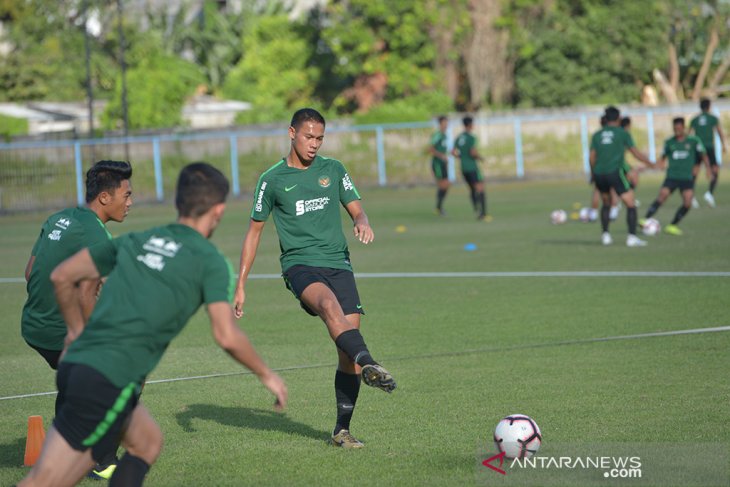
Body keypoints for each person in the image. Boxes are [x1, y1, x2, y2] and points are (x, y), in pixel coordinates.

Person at [18, 162, 287, 487]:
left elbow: (62, 276)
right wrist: (267, 374)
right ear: (218, 210)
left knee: (146, 442)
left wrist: (75, 331)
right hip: (108, 375)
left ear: (178, 203)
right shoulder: (210, 260)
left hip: (79, 364)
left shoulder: (138, 238)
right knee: (46, 479)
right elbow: (226, 335)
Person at [233, 108, 395, 449]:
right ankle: (371, 364)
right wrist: (241, 284)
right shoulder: (272, 179)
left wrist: (361, 221)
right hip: (300, 266)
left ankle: (341, 430)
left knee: (346, 350)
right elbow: (253, 233)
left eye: (320, 138)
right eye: (309, 136)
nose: (314, 144)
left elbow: (356, 207)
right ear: (292, 133)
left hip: (339, 263)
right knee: (327, 305)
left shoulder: (333, 169)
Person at [20, 159, 133, 480]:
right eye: (126, 195)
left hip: (33, 325)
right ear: (104, 198)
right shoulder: (97, 236)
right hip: (57, 330)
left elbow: (29, 273)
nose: (131, 203)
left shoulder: (58, 218)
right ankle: (101, 461)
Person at [589, 106, 654, 247]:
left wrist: (593, 173)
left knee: (605, 204)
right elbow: (635, 152)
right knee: (630, 204)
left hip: (600, 173)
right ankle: (631, 238)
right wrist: (650, 163)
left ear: (605, 119)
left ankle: (605, 235)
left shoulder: (597, 135)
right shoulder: (622, 133)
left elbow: (592, 157)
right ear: (618, 118)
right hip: (614, 172)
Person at [642, 117, 710, 236]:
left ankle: (672, 225)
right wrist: (656, 165)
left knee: (688, 202)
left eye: (679, 128)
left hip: (687, 177)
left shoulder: (693, 141)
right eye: (675, 129)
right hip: (672, 176)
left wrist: (708, 169)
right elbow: (662, 158)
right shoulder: (669, 142)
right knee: (662, 196)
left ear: (684, 128)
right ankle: (645, 219)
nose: (677, 131)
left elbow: (703, 155)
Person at [689, 98, 726, 207]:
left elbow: (688, 134)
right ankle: (709, 193)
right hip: (709, 147)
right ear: (709, 106)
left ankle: (691, 195)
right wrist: (724, 145)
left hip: (697, 147)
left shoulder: (694, 119)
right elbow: (719, 132)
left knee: (695, 171)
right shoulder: (713, 118)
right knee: (715, 169)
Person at [452, 116, 490, 221]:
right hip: (472, 167)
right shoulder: (471, 137)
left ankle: (476, 208)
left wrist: (461, 157)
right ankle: (483, 213)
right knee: (481, 188)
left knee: (472, 189)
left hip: (463, 168)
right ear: (470, 124)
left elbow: (453, 152)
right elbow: (472, 152)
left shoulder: (459, 137)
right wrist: (480, 158)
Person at [429, 115, 450, 216]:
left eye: (447, 123)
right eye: (444, 123)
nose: (446, 125)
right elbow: (431, 149)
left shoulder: (445, 135)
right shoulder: (437, 135)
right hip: (437, 163)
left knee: (446, 184)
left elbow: (443, 149)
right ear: (440, 124)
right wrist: (441, 156)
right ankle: (439, 208)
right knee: (443, 184)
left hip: (443, 163)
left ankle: (439, 207)